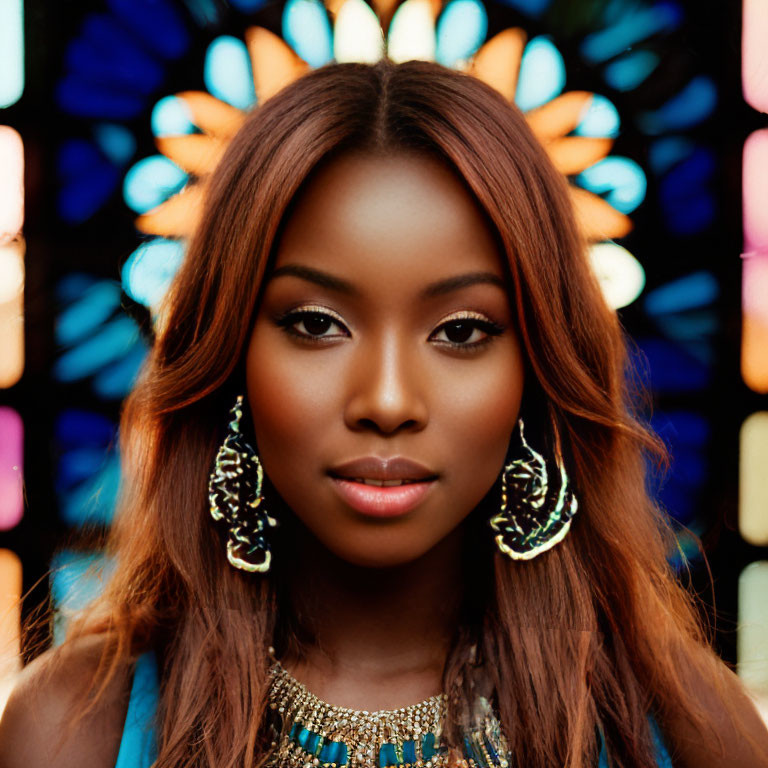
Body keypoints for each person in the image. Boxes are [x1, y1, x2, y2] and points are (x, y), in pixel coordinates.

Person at [1, 57, 767, 768]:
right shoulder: (76, 730)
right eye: (314, 324)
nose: (388, 402)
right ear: (230, 353)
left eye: (462, 332)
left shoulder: (684, 731)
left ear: (536, 369)